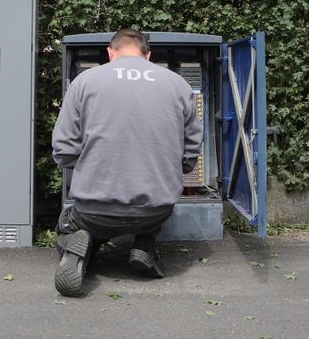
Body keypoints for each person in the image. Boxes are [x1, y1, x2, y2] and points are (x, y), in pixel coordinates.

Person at [51, 28, 203, 297]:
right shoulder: (178, 84)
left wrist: (89, 166)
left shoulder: (85, 82)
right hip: (156, 208)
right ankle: (144, 245)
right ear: (148, 56)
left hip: (95, 210)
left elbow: (63, 150)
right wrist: (173, 169)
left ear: (111, 53)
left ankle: (78, 248)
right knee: (151, 210)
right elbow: (191, 151)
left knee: (71, 222)